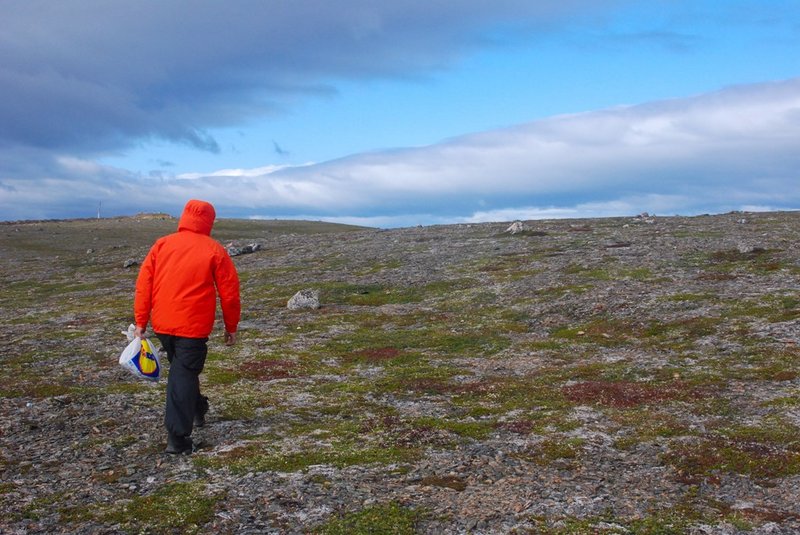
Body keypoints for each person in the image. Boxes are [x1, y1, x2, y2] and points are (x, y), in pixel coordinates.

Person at [133, 199, 240, 454]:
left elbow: (144, 284)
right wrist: (231, 326)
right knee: (182, 374)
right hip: (192, 326)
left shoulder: (162, 244)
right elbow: (230, 293)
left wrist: (141, 321)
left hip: (163, 324)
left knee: (183, 371)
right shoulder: (214, 249)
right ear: (209, 221)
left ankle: (197, 409)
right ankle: (177, 439)